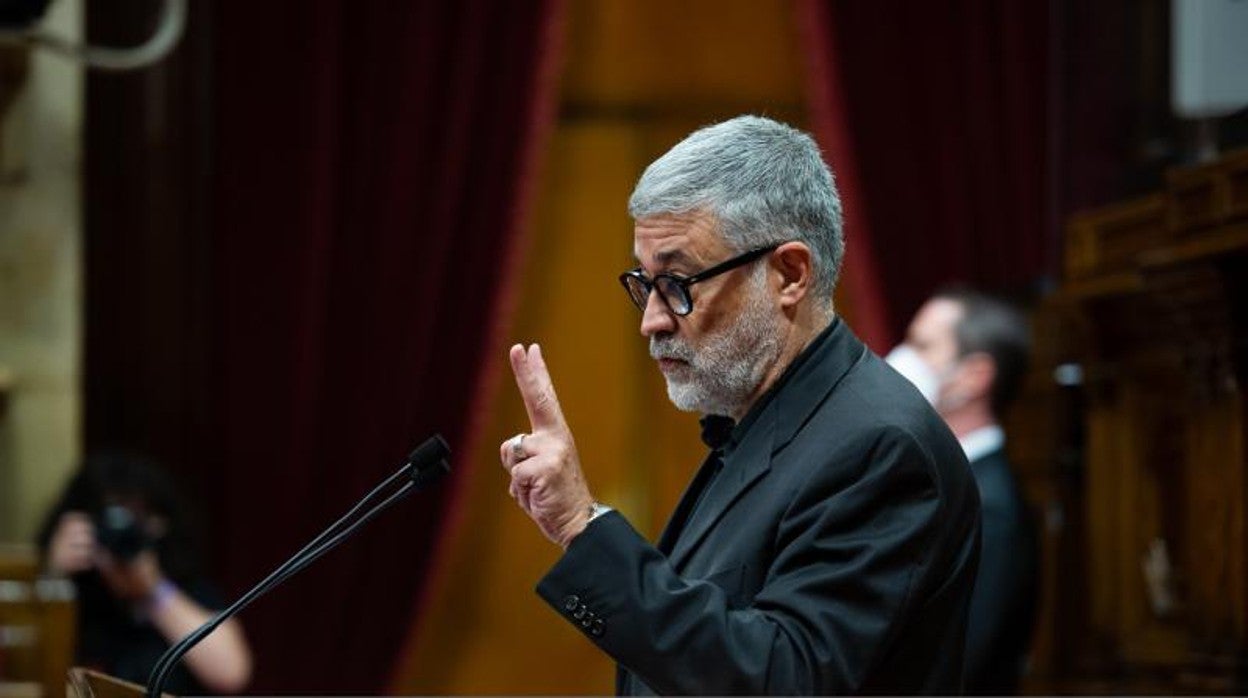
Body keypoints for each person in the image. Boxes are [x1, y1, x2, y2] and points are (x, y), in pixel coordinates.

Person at [498, 115, 981, 694]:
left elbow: (782, 678)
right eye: (644, 284)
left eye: (678, 282)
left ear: (790, 273)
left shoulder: (880, 447)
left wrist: (583, 525)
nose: (652, 320)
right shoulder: (764, 422)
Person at [886, 288, 1039, 694]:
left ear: (974, 376)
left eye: (922, 346)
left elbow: (962, 659)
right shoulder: (936, 480)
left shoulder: (990, 506)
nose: (900, 358)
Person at [37, 453, 252, 694]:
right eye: (110, 522)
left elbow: (231, 674)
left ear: (160, 524)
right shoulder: (71, 587)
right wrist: (52, 579)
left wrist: (153, 591)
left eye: (133, 522)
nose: (120, 534)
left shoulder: (185, 586)